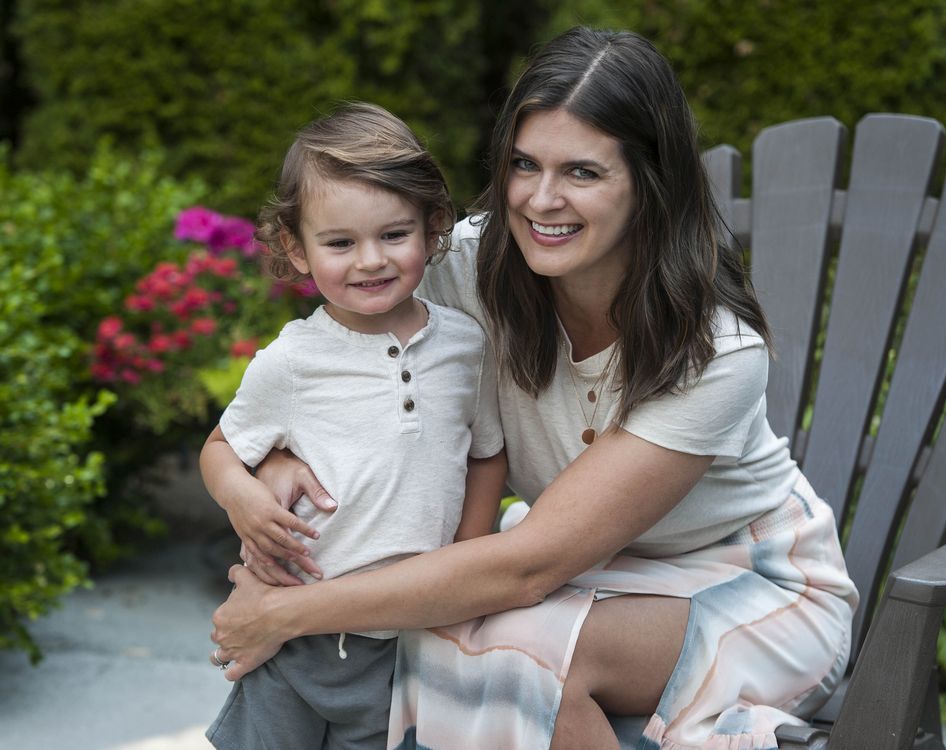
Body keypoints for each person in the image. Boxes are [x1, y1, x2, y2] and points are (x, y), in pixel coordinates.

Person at [208, 27, 859, 750]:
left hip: (747, 581)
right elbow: (336, 358)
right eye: (525, 164)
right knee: (445, 637)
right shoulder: (463, 267)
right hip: (580, 576)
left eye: (582, 172)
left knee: (515, 652)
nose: (542, 200)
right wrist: (273, 460)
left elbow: (527, 568)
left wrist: (284, 613)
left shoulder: (712, 351)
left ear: (650, 182)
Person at [198, 101, 507, 750]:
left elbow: (485, 455)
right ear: (297, 249)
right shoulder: (292, 360)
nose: (370, 260)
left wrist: (463, 566)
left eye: (394, 235)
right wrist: (244, 499)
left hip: (407, 637)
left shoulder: (464, 346)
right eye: (340, 243)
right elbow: (222, 448)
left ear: (433, 226)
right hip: (295, 632)